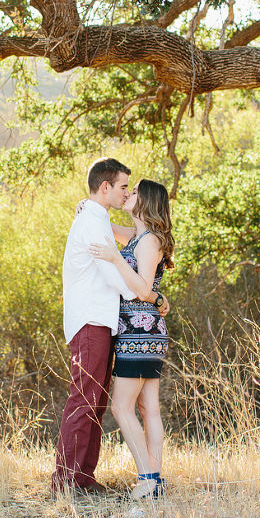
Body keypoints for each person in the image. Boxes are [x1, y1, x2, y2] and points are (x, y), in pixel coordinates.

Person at [53, 158, 169, 495]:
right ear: (106, 187)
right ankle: (66, 483)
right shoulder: (96, 221)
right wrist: (151, 297)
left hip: (119, 325)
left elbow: (131, 258)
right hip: (95, 319)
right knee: (88, 400)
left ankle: (85, 479)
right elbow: (117, 276)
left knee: (101, 403)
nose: (126, 193)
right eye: (122, 187)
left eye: (131, 191)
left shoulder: (110, 223)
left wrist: (152, 296)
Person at [89, 178, 174, 500]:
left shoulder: (150, 242)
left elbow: (141, 289)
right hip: (143, 329)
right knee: (147, 406)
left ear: (147, 200)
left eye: (134, 191)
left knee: (121, 407)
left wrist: (114, 259)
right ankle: (156, 480)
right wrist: (92, 207)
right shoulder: (139, 237)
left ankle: (148, 479)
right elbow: (110, 229)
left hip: (140, 331)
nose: (128, 194)